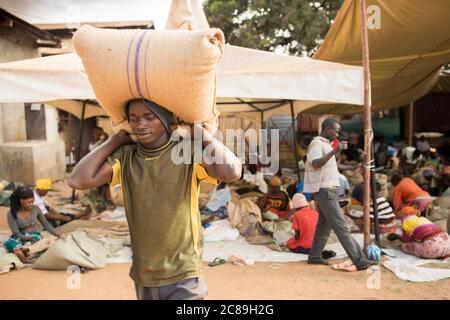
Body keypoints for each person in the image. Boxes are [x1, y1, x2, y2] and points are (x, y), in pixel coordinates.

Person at [68, 98, 241, 300]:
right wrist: (114, 140)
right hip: (145, 273)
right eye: (134, 119)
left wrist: (203, 136)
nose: (141, 124)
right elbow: (78, 180)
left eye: (149, 117)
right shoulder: (125, 157)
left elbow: (232, 172)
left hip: (183, 270)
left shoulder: (185, 151)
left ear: (165, 120)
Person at [303, 118, 373, 271]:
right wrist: (335, 150)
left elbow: (335, 166)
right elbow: (314, 163)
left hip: (329, 190)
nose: (338, 134)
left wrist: (355, 165)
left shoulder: (326, 144)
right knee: (341, 227)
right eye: (336, 130)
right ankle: (360, 260)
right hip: (325, 190)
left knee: (324, 226)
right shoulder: (317, 143)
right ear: (327, 129)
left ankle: (314, 256)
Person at [4, 186, 60, 260]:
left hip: (35, 236)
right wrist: (27, 238)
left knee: (44, 241)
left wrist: (58, 234)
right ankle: (24, 252)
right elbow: (16, 233)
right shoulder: (11, 213)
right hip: (20, 237)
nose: (31, 204)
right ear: (21, 201)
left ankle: (26, 252)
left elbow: (46, 224)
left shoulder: (36, 209)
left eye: (32, 201)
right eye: (28, 202)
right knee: (9, 243)